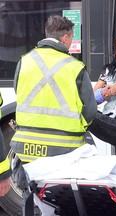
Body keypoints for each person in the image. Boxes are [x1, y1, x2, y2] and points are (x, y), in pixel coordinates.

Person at [10, 15, 97, 215]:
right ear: (65, 38)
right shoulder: (75, 66)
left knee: (30, 196)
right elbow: (90, 111)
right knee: (62, 200)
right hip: (64, 150)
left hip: (27, 147)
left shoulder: (24, 61)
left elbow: (19, 94)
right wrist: (79, 125)